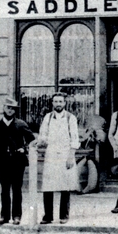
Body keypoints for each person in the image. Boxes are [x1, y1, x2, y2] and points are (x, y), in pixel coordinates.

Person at [0, 97, 35, 225]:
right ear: (3, 108)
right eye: (8, 107)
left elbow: (33, 141)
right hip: (2, 162)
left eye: (13, 108)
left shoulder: (21, 124)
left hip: (17, 162)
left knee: (17, 189)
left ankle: (17, 216)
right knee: (5, 190)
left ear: (15, 110)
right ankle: (4, 216)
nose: (10, 110)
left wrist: (24, 149)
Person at [36, 92, 80, 224]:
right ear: (52, 103)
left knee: (64, 185)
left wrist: (71, 156)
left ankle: (64, 215)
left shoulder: (70, 118)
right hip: (51, 154)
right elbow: (43, 135)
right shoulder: (48, 117)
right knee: (48, 186)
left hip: (65, 154)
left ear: (65, 103)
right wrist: (40, 142)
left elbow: (75, 138)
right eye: (56, 101)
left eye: (61, 102)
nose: (58, 104)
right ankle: (48, 216)